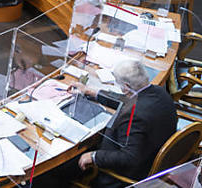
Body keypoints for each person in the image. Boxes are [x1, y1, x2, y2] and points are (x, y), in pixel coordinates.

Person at [60, 60, 177, 188]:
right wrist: (91, 92)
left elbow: (129, 157)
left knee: (65, 165)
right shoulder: (159, 92)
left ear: (126, 86)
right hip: (154, 153)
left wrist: (94, 156)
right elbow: (128, 100)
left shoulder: (135, 116)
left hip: (125, 175)